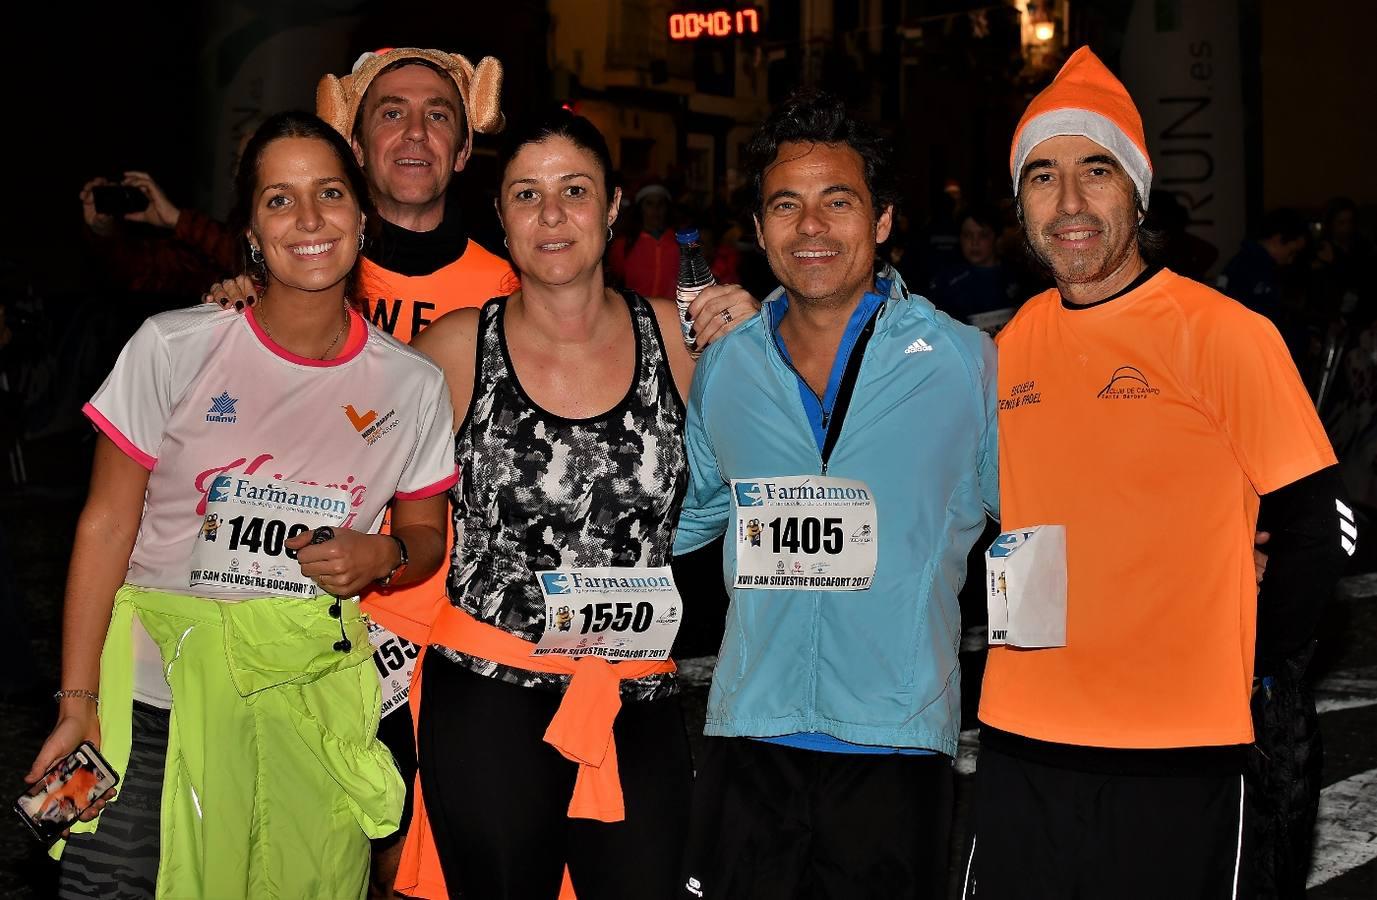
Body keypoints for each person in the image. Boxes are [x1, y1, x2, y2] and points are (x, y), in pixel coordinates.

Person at [27, 111, 456, 899]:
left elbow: (426, 533)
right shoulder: (174, 344)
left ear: (361, 215)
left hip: (305, 709)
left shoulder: (412, 383)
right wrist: (78, 703)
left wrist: (386, 556)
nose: (309, 220)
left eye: (328, 193)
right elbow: (105, 524)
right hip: (149, 702)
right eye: (279, 200)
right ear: (251, 230)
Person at [963, 47, 1352, 898]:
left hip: (1184, 752)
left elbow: (1316, 529)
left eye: (1094, 171)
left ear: (1135, 191)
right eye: (1041, 177)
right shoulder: (1006, 345)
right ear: (1019, 203)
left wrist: (1259, 670)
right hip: (1022, 739)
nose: (1068, 204)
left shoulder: (1221, 332)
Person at [396, 107, 755, 900]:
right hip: (488, 695)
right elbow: (345, 445)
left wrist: (763, 340)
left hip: (635, 697)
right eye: (526, 195)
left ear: (614, 205)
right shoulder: (456, 348)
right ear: (500, 216)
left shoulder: (685, 342)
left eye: (574, 190)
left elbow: (792, 452)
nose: (551, 216)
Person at [673, 89, 999, 899]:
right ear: (756, 230)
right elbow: (681, 518)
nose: (810, 227)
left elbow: (1043, 512)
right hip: (748, 735)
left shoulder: (962, 363)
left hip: (893, 746)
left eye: (837, 202)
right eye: (785, 205)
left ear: (882, 220)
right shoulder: (728, 364)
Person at [207, 47, 515, 896]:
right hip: (295, 610)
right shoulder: (293, 266)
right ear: (351, 138)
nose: (414, 131)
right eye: (389, 111)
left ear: (463, 148)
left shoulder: (514, 289)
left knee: (416, 854)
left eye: (438, 114)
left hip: (442, 623)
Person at [81, 170, 239, 296]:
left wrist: (178, 219)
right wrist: (104, 232)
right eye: (236, 161)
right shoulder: (208, 253)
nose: (236, 174)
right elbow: (143, 274)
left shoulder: (237, 247)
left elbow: (246, 260)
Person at [927, 204, 1024, 332]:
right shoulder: (946, 282)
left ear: (996, 238)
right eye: (967, 235)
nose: (974, 243)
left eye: (983, 235)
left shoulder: (1020, 276)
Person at [1217, 207, 1309, 324]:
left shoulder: (1242, 262)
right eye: (1291, 252)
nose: (1291, 260)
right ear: (1277, 239)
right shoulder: (1252, 269)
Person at [608, 181, 679, 300]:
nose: (656, 209)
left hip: (673, 312)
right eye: (649, 204)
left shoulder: (680, 242)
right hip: (635, 312)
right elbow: (614, 280)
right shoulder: (624, 244)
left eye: (661, 204)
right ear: (640, 208)